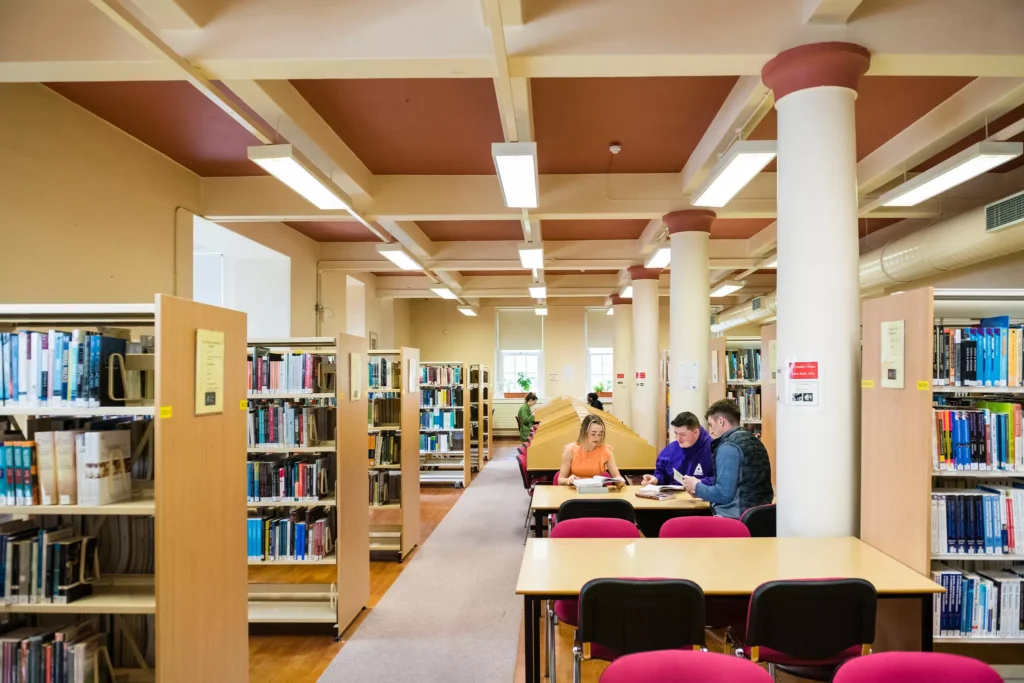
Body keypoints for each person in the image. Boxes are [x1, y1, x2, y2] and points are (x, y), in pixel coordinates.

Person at [681, 399, 773, 519]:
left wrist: (696, 486)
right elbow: (741, 487)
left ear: (720, 421)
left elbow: (723, 494)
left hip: (734, 519)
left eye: (710, 425)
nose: (711, 431)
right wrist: (701, 492)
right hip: (758, 516)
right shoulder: (755, 441)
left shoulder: (728, 447)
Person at [640, 411, 713, 486]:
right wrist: (656, 479)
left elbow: (722, 480)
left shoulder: (714, 449)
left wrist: (699, 483)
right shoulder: (671, 449)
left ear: (696, 432)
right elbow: (662, 472)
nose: (678, 438)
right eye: (676, 433)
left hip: (700, 496)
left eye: (683, 434)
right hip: (674, 496)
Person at [558, 414, 622, 484]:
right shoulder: (570, 450)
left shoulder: (606, 450)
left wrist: (621, 481)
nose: (597, 438)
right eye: (593, 434)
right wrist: (568, 480)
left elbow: (617, 477)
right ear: (584, 432)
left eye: (600, 434)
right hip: (574, 490)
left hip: (596, 491)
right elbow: (560, 480)